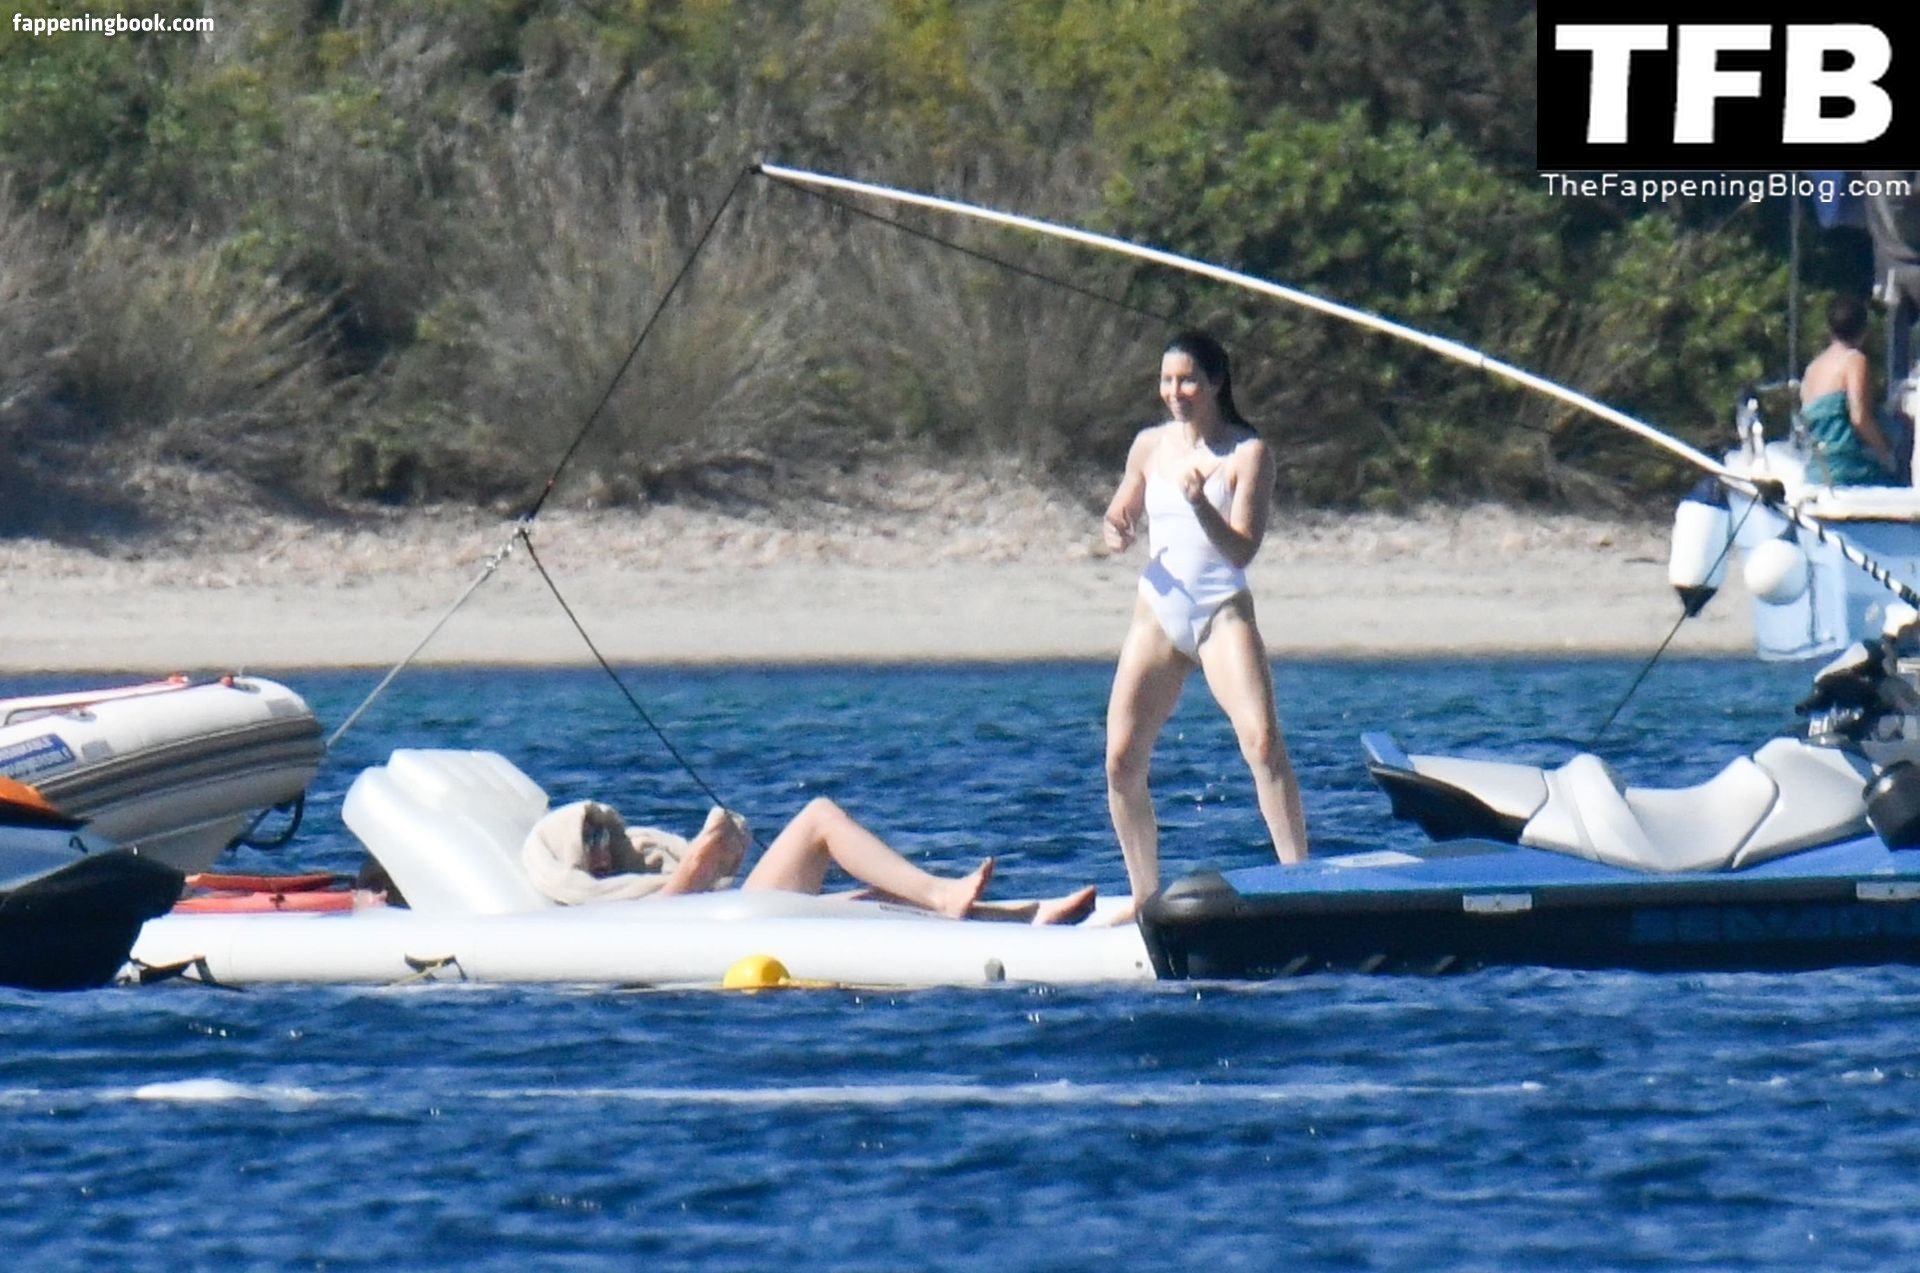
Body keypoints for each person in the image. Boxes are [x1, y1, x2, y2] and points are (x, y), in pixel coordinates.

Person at [1099, 330, 1309, 917]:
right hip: (1158, 613)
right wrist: (1117, 527)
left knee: (1262, 743)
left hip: (1220, 611)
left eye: (1188, 380)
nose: (1176, 392)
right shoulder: (1149, 446)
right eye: (1167, 381)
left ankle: (1302, 881)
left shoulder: (1248, 454)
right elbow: (1121, 509)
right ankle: (1144, 898)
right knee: (1120, 760)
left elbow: (1241, 549)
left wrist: (1198, 504)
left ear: (1216, 383)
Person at [522, 796, 1098, 925]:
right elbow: (662, 922)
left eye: (601, 832)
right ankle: (942, 894)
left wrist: (719, 852)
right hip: (731, 922)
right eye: (587, 841)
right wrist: (699, 862)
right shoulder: (595, 908)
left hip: (734, 912)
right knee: (819, 817)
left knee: (871, 899)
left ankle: (1026, 916)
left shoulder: (634, 872)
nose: (603, 845)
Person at [1800, 295, 1900, 486]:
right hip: (1848, 470)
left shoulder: (1812, 369)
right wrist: (1886, 452)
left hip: (1818, 471)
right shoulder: (1854, 360)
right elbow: (1859, 417)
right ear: (1863, 329)